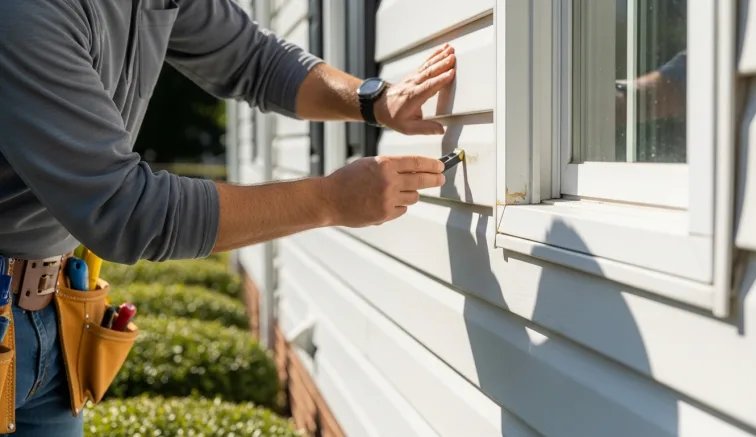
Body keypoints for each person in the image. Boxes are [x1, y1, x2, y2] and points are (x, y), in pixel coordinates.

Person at [0, 0, 457, 435]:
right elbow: (124, 210)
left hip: (51, 312)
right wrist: (330, 200)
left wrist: (372, 101)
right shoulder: (25, 14)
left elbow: (253, 59)